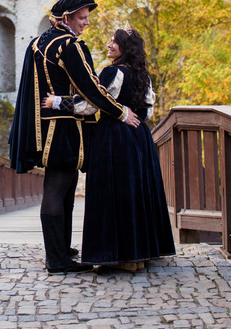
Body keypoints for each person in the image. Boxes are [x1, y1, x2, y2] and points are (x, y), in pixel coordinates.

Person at [8, 0, 140, 274]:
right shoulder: (70, 46)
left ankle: (62, 249)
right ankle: (57, 260)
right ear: (66, 18)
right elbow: (91, 89)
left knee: (63, 188)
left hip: (42, 126)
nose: (86, 23)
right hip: (65, 129)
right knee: (58, 187)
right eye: (82, 18)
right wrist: (121, 113)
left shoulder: (38, 42)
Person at [46, 28, 175, 270]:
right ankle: (138, 255)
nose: (109, 45)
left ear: (126, 48)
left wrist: (57, 102)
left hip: (112, 137)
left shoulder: (112, 72)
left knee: (112, 193)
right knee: (135, 192)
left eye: (115, 42)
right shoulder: (142, 75)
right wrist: (133, 118)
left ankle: (120, 258)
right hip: (139, 136)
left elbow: (92, 104)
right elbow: (147, 109)